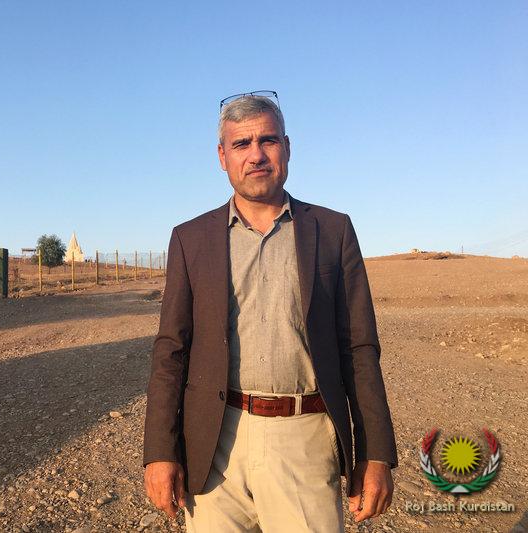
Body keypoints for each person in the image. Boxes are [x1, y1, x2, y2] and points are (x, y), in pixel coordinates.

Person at [142, 91, 397, 532]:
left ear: (287, 147)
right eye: (241, 143)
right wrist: (160, 452)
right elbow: (171, 350)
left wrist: (375, 454)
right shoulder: (190, 239)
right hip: (214, 443)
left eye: (268, 140)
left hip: (305, 438)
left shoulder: (332, 231)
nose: (256, 155)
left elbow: (359, 347)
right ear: (222, 156)